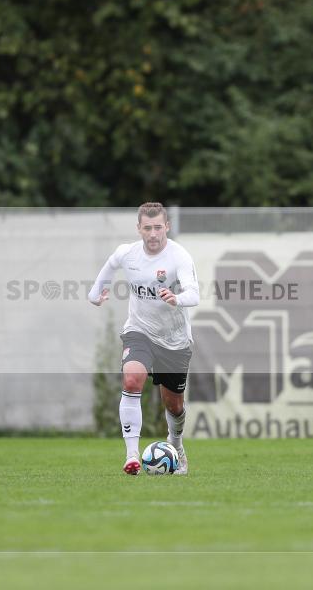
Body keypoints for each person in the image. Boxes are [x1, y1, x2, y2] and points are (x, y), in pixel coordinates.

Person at [88, 202, 199, 475]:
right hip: (140, 330)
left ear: (167, 227)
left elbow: (194, 294)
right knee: (132, 378)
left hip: (174, 340)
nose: (153, 234)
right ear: (139, 228)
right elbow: (108, 269)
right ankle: (131, 456)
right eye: (147, 228)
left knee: (174, 404)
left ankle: (176, 444)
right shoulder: (127, 254)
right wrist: (96, 294)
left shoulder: (179, 256)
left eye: (158, 227)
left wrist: (177, 298)